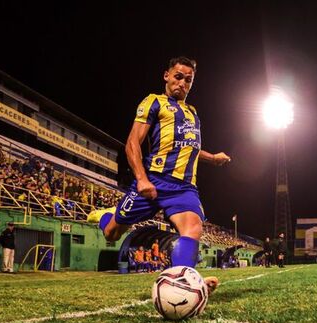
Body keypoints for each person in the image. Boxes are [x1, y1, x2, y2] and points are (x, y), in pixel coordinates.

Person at [87, 56, 230, 292]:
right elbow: (133, 142)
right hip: (153, 181)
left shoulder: (193, 113)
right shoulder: (154, 102)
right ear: (166, 75)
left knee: (193, 227)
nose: (182, 83)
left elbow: (188, 147)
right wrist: (142, 178)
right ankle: (104, 215)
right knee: (112, 234)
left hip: (184, 188)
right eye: (178, 77)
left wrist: (212, 158)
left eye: (188, 80)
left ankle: (182, 283)